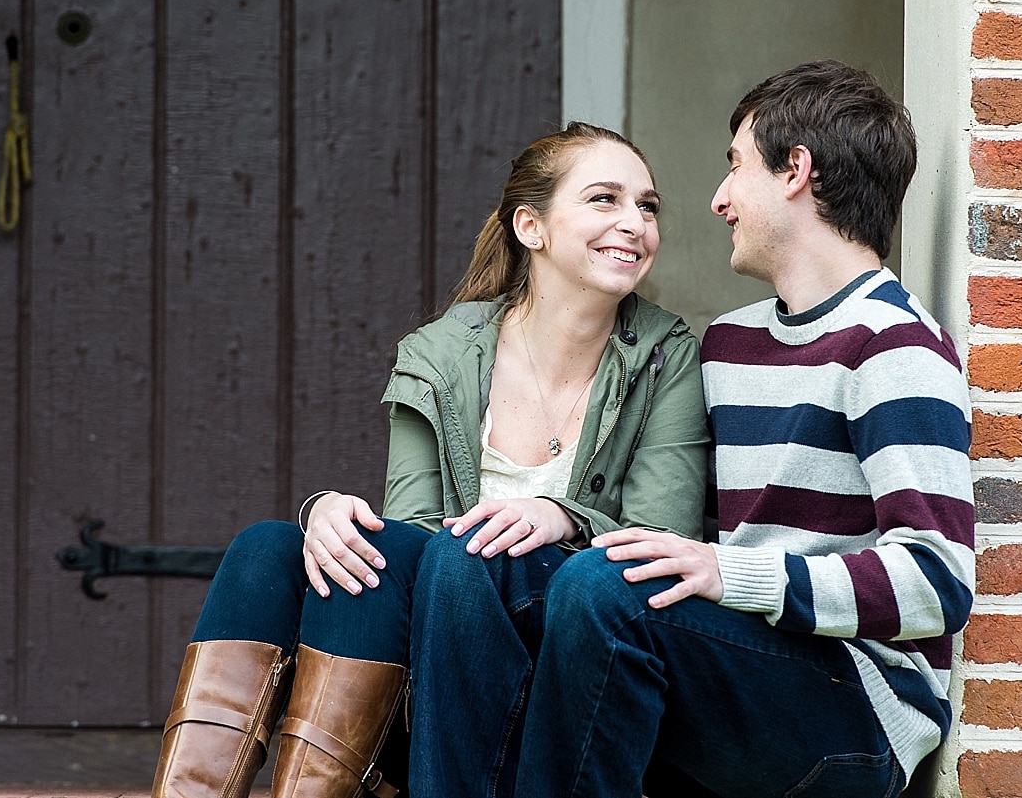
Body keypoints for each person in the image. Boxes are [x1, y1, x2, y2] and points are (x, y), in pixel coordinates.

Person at [150, 122, 709, 798]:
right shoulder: (439, 352)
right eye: (604, 200)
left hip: (561, 645)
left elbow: (662, 534)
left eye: (646, 206)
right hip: (437, 655)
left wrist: (560, 515)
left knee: (459, 553)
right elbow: (411, 529)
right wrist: (328, 516)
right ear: (531, 227)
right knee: (271, 547)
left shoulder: (665, 352)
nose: (635, 223)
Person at [511, 61, 976, 798]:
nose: (720, 199)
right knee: (528, 579)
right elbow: (683, 536)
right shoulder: (729, 342)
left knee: (606, 590)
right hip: (745, 662)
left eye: (735, 165)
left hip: (859, 706)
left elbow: (936, 581)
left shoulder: (893, 346)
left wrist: (733, 573)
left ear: (796, 170)